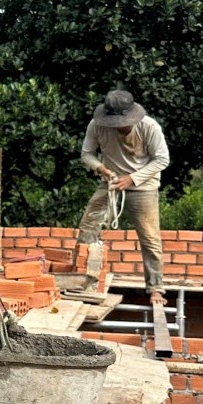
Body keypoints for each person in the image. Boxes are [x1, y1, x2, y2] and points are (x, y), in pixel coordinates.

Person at [76, 89, 170, 304]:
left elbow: (162, 160)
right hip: (110, 182)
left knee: (150, 237)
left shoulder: (149, 127)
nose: (119, 126)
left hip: (144, 185)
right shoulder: (96, 125)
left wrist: (133, 179)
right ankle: (84, 281)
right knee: (88, 226)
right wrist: (101, 168)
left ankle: (155, 288)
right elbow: (87, 154)